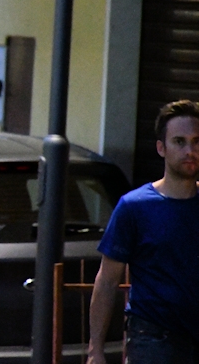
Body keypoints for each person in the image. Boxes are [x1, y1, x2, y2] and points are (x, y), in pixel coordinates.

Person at [87, 100, 199, 364]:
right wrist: (96, 351)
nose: (190, 151)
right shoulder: (135, 207)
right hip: (154, 340)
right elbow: (106, 281)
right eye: (179, 142)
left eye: (196, 142)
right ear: (161, 148)